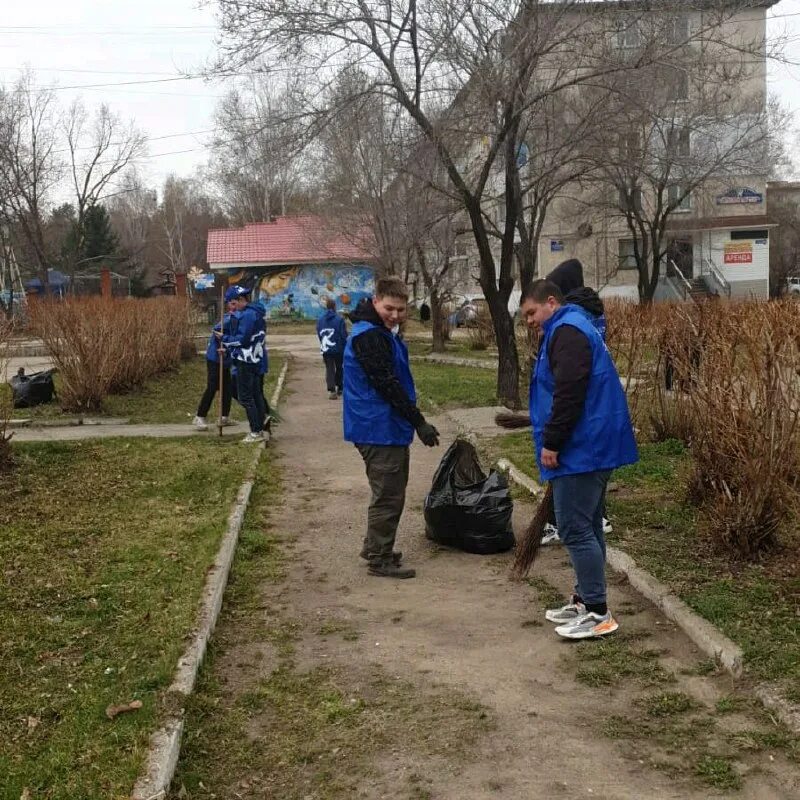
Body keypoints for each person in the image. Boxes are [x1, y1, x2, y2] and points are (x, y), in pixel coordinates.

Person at [522, 279, 638, 639]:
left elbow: (570, 393)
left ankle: (599, 612)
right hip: (592, 445)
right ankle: (586, 599)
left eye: (531, 312)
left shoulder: (568, 333)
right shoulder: (571, 327)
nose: (528, 320)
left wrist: (553, 442)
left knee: (574, 528)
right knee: (586, 526)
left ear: (551, 302)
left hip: (582, 448)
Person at [343, 277, 440, 579]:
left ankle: (375, 546)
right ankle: (379, 558)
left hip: (381, 426)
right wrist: (419, 422)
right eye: (389, 308)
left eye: (401, 310)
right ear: (375, 301)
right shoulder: (370, 337)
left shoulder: (379, 332)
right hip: (378, 428)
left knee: (388, 492)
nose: (395, 315)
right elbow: (388, 384)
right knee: (388, 495)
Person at [541, 259, 611, 545]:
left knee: (577, 526)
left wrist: (553, 438)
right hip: (594, 415)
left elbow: (570, 385)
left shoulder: (571, 324)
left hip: (580, 417)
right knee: (591, 478)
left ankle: (564, 522)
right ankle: (597, 514)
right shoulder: (590, 314)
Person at [219, 285, 267, 444]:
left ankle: (255, 431)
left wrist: (225, 340)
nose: (232, 306)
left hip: (246, 360)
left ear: (240, 300)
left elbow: (242, 339)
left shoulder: (247, 315)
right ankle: (261, 426)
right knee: (255, 395)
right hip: (255, 359)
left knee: (246, 397)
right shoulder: (256, 312)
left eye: (233, 302)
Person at [193, 298, 237, 431]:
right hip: (215, 358)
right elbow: (217, 332)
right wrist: (221, 347)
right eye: (232, 304)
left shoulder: (239, 318)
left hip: (226, 359)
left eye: (237, 303)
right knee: (212, 387)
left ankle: (224, 417)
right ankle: (200, 416)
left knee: (227, 388)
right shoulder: (228, 319)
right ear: (228, 305)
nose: (235, 306)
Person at [316, 298, 348, 399]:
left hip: (326, 348)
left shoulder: (320, 320)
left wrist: (322, 344)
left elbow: (319, 333)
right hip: (338, 348)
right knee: (340, 367)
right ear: (334, 307)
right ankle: (340, 387)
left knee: (329, 368)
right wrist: (345, 345)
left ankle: (332, 390)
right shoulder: (340, 319)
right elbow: (343, 335)